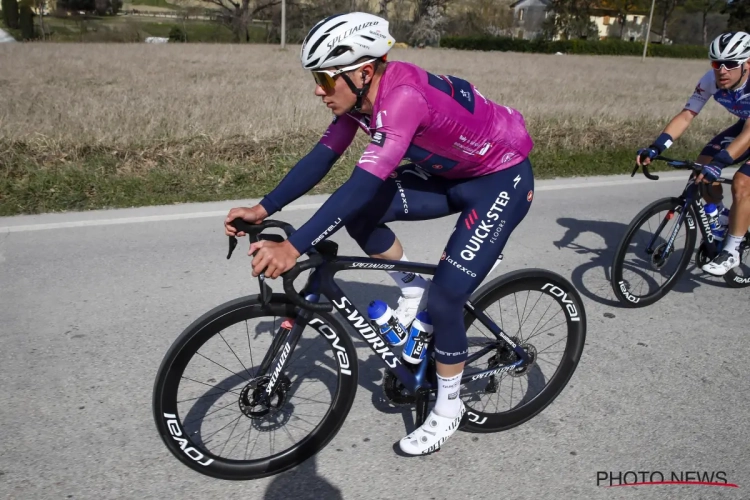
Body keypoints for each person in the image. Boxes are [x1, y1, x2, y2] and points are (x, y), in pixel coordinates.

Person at [224, 12, 535, 455]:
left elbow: (363, 182)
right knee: (361, 214)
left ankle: (448, 410)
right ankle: (411, 290)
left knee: (447, 298)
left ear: (362, 71)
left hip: (500, 181)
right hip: (449, 174)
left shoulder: (402, 98)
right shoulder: (362, 98)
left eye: (325, 79)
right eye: (317, 78)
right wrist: (263, 207)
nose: (318, 89)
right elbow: (324, 156)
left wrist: (294, 246)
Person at [637, 31, 750, 276]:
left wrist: (721, 163)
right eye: (716, 63)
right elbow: (687, 115)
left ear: (747, 63)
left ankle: (732, 250)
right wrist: (657, 147)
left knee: (742, 183)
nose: (722, 70)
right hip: (746, 125)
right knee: (702, 166)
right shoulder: (711, 80)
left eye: (730, 64)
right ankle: (721, 216)